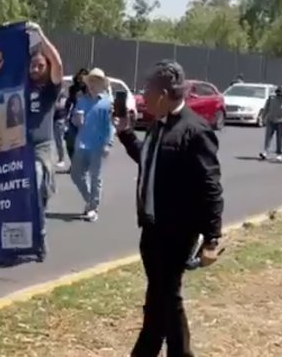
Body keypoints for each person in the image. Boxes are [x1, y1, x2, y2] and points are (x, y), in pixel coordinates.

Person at [115, 60, 224, 357]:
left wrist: (212, 238)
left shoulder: (195, 131)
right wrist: (126, 135)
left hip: (177, 232)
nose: (143, 96)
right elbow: (150, 162)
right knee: (159, 299)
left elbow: (210, 186)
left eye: (147, 90)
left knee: (166, 298)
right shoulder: (157, 125)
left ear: (163, 94)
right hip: (151, 229)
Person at [25, 21, 63, 261]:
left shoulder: (50, 89)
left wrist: (40, 35)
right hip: (21, 148)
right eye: (33, 65)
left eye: (40, 65)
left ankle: (40, 236)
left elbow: (57, 63)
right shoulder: (22, 86)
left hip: (42, 148)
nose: (36, 68)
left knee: (38, 183)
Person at [69, 68, 114, 222]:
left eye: (96, 82)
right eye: (91, 81)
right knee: (75, 174)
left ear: (102, 84)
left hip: (98, 145)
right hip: (81, 143)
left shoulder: (107, 103)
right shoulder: (82, 100)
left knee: (96, 177)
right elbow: (74, 120)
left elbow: (110, 125)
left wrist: (109, 143)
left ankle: (94, 208)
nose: (93, 85)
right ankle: (90, 200)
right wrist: (77, 119)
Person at [258, 85, 282, 162]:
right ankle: (265, 152)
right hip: (271, 120)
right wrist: (263, 117)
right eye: (278, 92)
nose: (280, 94)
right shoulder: (272, 97)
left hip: (281, 121)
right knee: (268, 137)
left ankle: (279, 154)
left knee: (279, 139)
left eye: (281, 93)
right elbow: (266, 107)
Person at [64, 68, 89, 160]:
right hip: (73, 118)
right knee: (70, 142)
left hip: (85, 119)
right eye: (80, 77)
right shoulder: (73, 89)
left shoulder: (89, 90)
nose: (81, 80)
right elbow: (69, 102)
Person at [53, 90, 69, 168]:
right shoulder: (53, 92)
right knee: (57, 140)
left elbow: (62, 105)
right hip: (54, 119)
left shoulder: (63, 94)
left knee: (60, 139)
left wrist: (51, 105)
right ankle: (60, 158)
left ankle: (62, 159)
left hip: (60, 118)